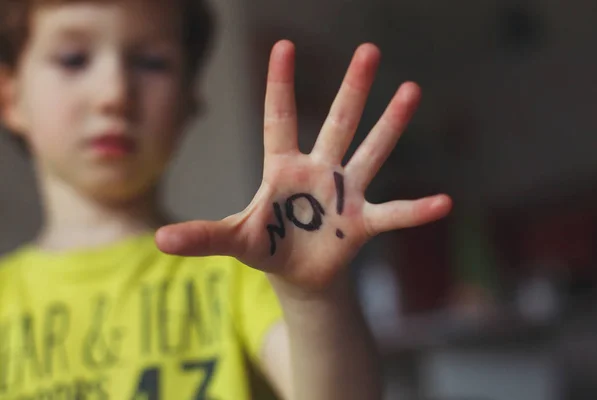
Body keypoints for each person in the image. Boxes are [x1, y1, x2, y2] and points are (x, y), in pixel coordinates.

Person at [0, 0, 453, 399]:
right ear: (10, 97)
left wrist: (313, 297)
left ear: (188, 104)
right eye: (74, 58)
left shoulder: (243, 274)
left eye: (152, 62)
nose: (114, 93)